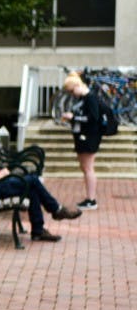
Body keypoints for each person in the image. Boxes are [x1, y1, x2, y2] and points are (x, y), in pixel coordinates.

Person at [0, 115, 81, 242]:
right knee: (32, 180)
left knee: (31, 188)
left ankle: (38, 231)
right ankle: (56, 210)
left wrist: (0, 172)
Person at [60, 72, 101, 210]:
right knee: (85, 168)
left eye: (72, 91)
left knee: (88, 168)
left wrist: (73, 118)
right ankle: (90, 198)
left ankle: (91, 199)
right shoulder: (83, 99)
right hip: (82, 136)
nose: (72, 94)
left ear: (77, 85)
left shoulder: (90, 98)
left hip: (88, 137)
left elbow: (92, 118)